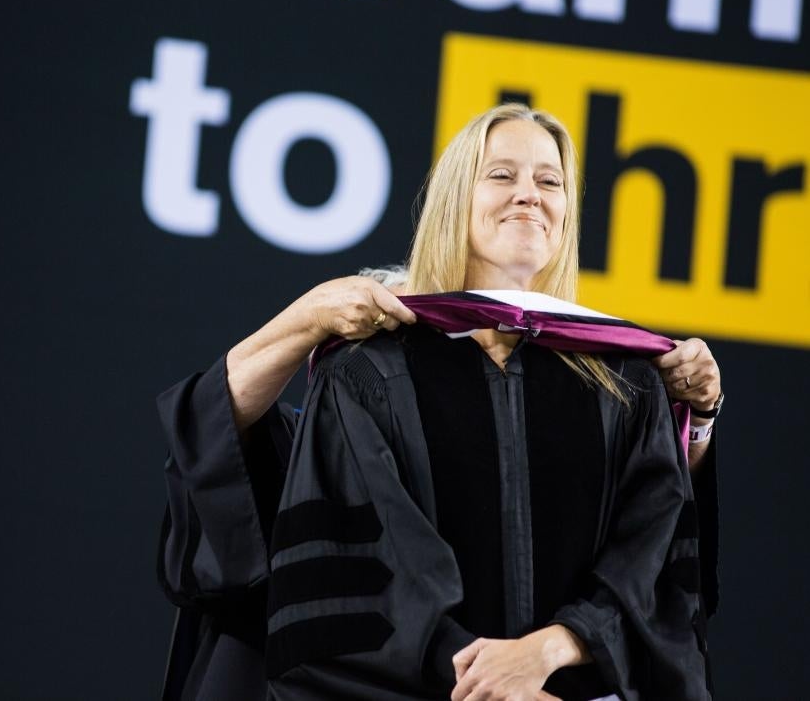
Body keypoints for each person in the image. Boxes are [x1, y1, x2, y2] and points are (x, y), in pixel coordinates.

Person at [158, 104, 719, 699]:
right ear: (455, 199)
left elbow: (656, 557)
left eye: (549, 181)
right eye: (501, 175)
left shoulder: (623, 376)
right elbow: (360, 578)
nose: (529, 194)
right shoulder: (370, 371)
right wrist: (491, 684)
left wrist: (551, 650)